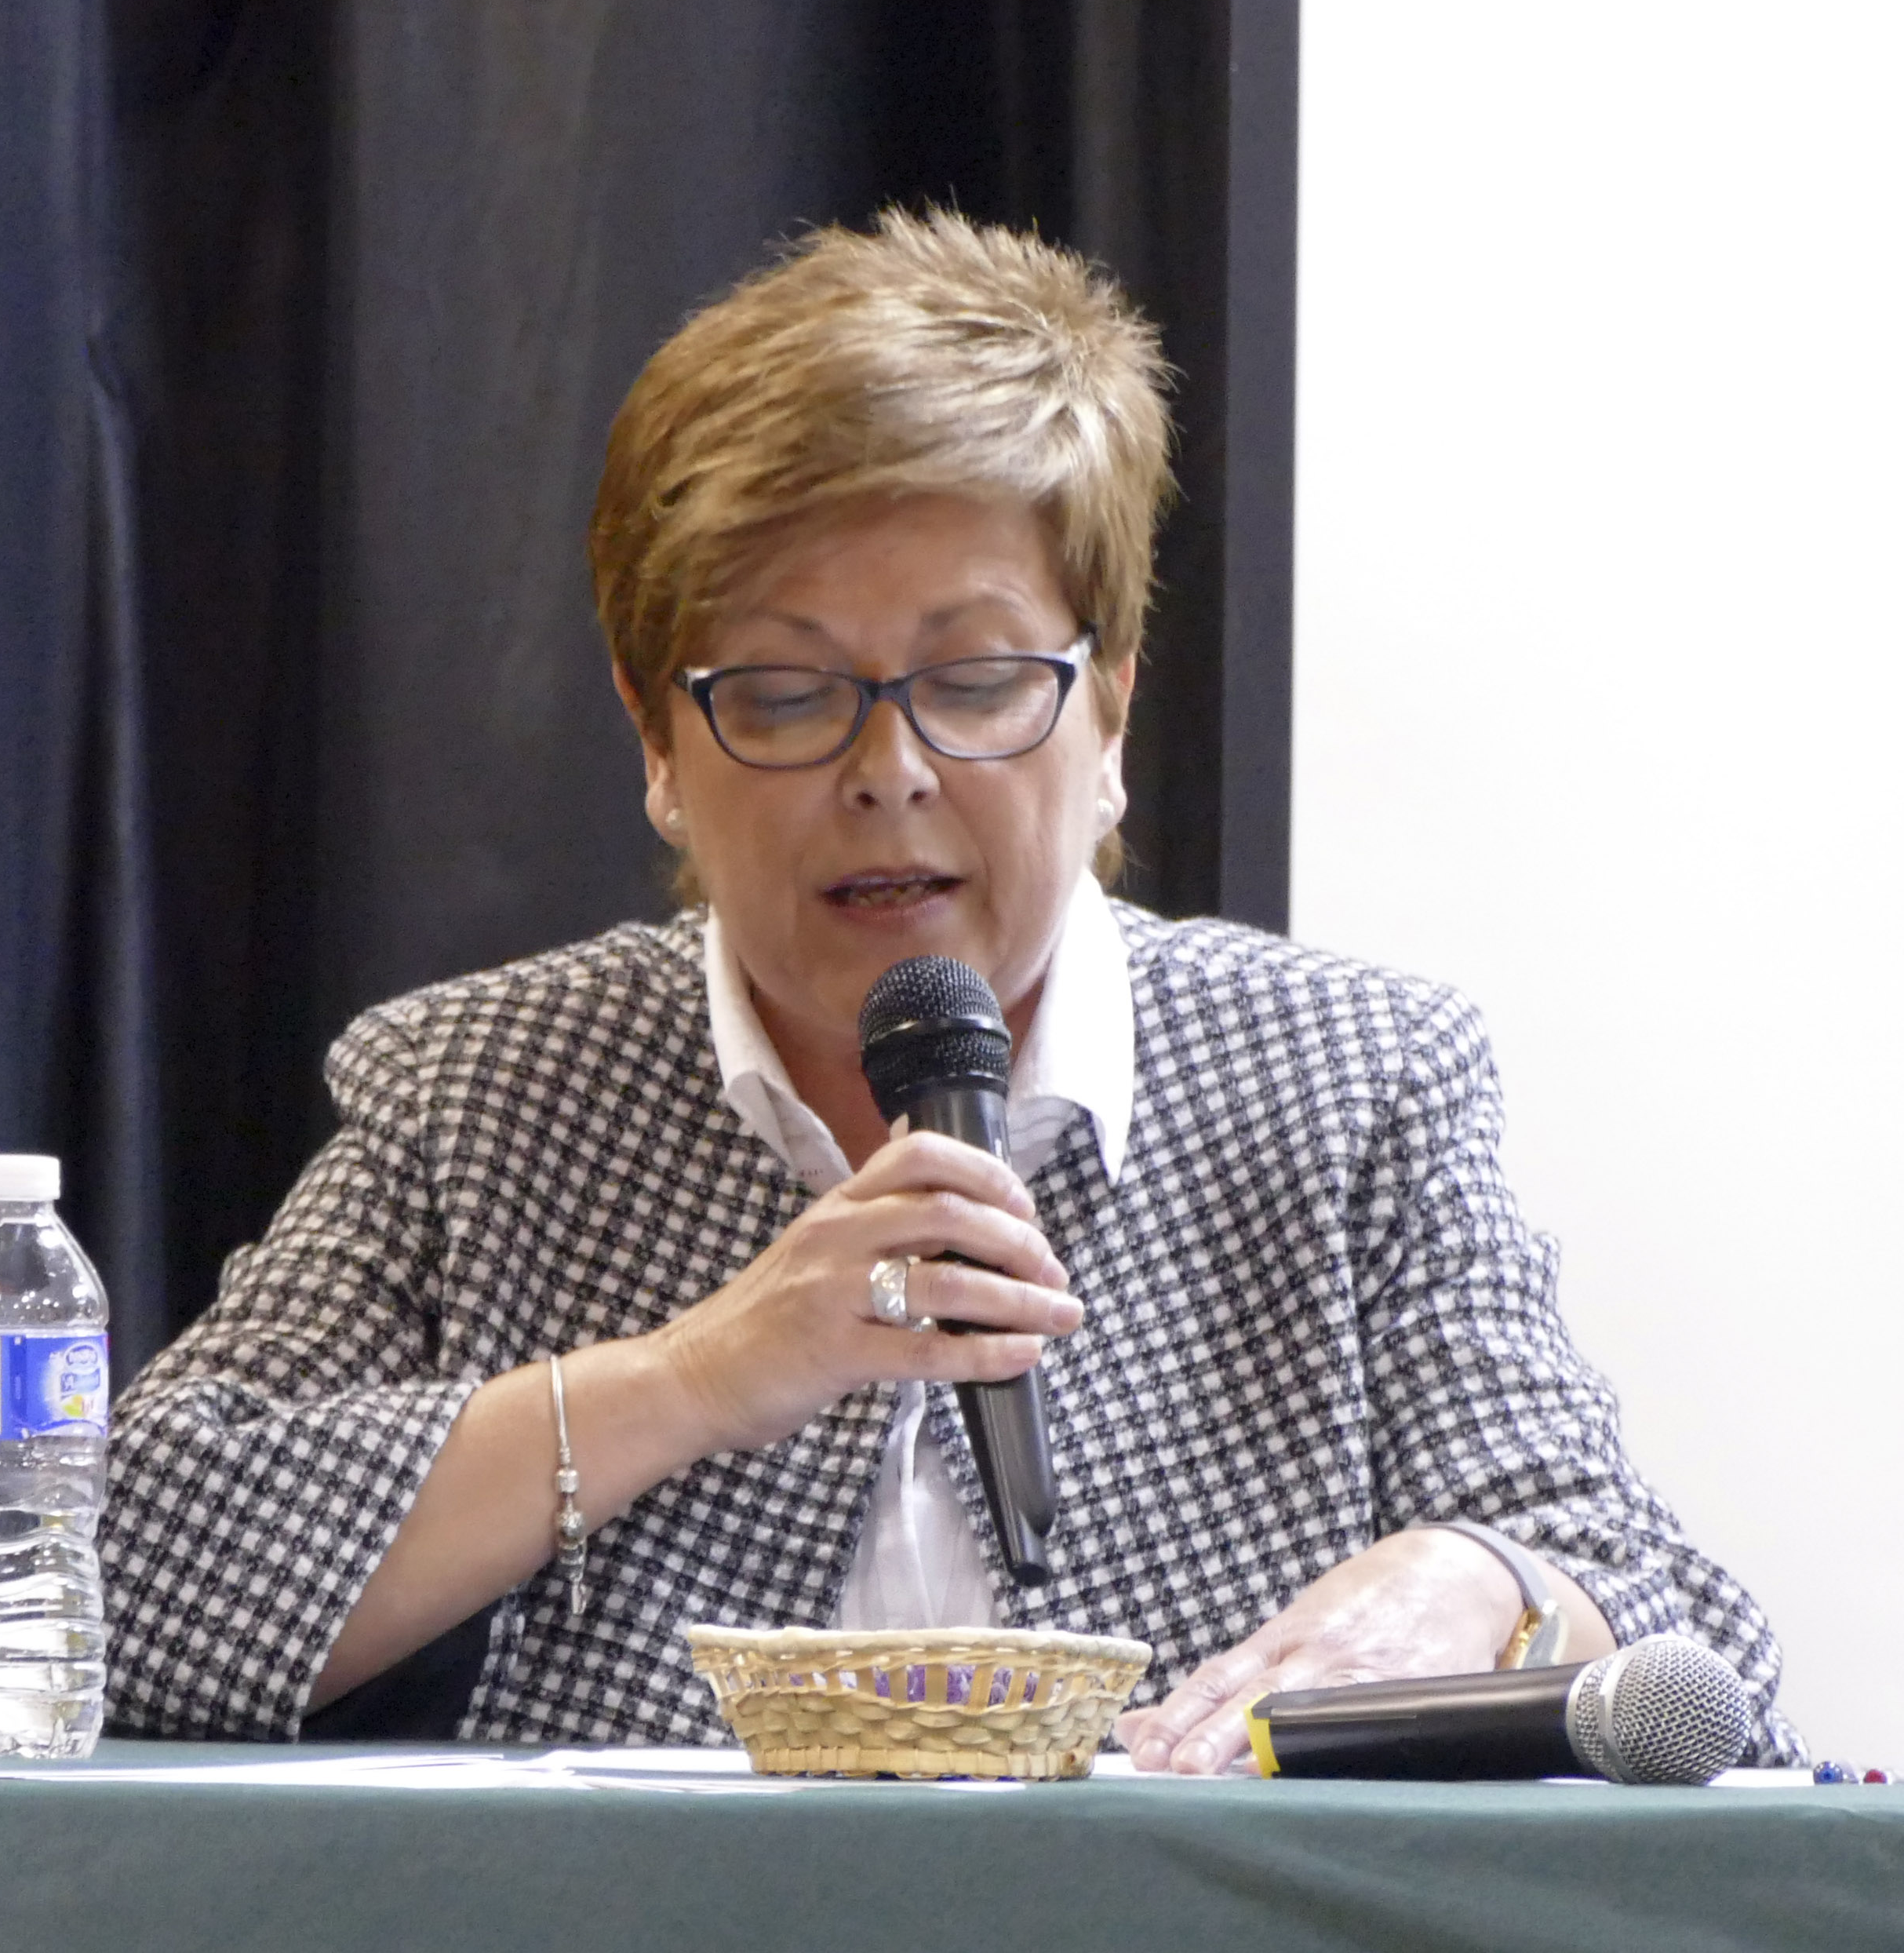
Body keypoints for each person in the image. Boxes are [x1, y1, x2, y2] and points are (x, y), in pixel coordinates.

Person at [99, 210, 1793, 1771]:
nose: (889, 770)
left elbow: (1689, 1642)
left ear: (1109, 715)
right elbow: (105, 1573)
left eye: (977, 682)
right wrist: (693, 1376)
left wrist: (1484, 1581)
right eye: (784, 695)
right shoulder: (489, 1089)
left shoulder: (1348, 1083)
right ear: (659, 746)